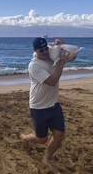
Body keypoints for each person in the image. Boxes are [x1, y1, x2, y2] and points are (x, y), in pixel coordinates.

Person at [20, 37, 74, 172]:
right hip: (39, 107)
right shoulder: (34, 65)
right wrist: (60, 64)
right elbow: (52, 81)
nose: (44, 52)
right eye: (41, 50)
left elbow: (71, 57)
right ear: (35, 51)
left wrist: (63, 46)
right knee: (42, 139)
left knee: (59, 136)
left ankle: (47, 158)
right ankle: (25, 138)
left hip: (54, 105)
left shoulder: (51, 55)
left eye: (46, 49)